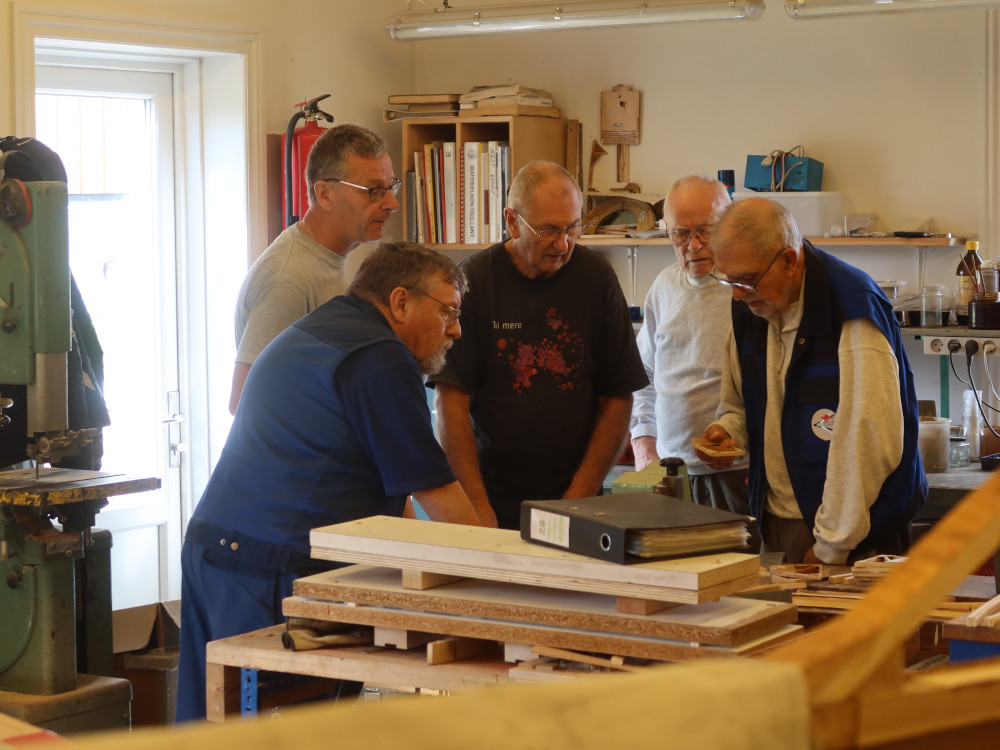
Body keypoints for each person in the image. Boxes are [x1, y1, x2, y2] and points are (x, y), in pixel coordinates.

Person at [177, 242, 496, 722]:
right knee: (280, 730)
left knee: (209, 726)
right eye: (448, 311)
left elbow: (398, 490)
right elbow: (436, 490)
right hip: (267, 566)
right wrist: (497, 580)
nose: (456, 329)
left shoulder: (327, 327)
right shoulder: (380, 356)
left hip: (217, 550)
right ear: (401, 302)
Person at [696, 197, 926, 565]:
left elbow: (869, 441)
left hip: (851, 538)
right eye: (728, 278)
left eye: (748, 280)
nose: (736, 293)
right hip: (777, 521)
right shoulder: (751, 305)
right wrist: (728, 431)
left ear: (789, 260)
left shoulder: (852, 308)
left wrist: (831, 546)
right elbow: (739, 405)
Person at [429, 160, 648, 530]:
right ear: (512, 222)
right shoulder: (474, 281)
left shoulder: (596, 279)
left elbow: (618, 395)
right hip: (491, 495)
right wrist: (476, 506)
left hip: (578, 496)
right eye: (548, 230)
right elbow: (450, 403)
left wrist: (579, 496)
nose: (563, 244)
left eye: (573, 227)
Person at [228, 123, 401, 414]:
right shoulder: (289, 278)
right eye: (374, 191)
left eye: (390, 187)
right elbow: (244, 403)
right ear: (324, 194)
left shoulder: (323, 259)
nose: (392, 203)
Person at [629, 175, 756, 548]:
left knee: (734, 572)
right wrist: (644, 444)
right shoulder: (663, 288)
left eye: (706, 230)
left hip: (738, 474)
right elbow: (643, 376)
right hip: (669, 476)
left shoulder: (750, 291)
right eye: (681, 234)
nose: (694, 245)